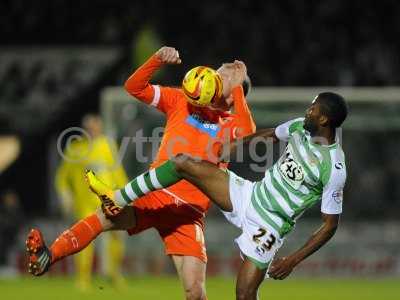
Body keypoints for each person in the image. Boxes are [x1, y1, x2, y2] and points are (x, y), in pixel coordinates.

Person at [26, 46, 256, 300]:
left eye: (223, 78)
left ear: (234, 94)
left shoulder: (230, 124)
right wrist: (156, 59)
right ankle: (49, 255)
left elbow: (248, 132)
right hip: (152, 194)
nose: (214, 76)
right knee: (102, 217)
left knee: (195, 291)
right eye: (217, 72)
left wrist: (236, 85)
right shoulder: (181, 100)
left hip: (187, 214)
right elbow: (134, 87)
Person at [87, 92, 348, 299]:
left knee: (244, 294)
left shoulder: (333, 167)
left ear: (324, 120)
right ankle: (118, 197)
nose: (308, 111)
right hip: (249, 194)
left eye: (313, 109)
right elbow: (270, 134)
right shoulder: (298, 129)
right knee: (182, 163)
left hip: (270, 226)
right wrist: (235, 145)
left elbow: (329, 226)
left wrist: (292, 260)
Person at [54, 114, 128, 291]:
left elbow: (117, 172)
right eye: (90, 127)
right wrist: (65, 194)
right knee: (84, 239)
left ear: (100, 127)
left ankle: (114, 273)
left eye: (96, 127)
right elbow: (62, 177)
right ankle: (83, 279)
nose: (93, 130)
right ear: (84, 129)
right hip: (85, 202)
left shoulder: (107, 146)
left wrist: (126, 193)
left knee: (117, 237)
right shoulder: (75, 148)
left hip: (109, 200)